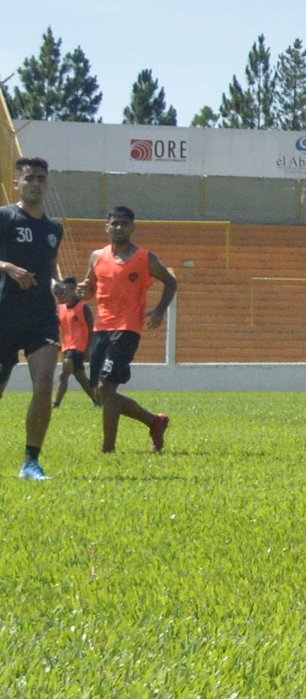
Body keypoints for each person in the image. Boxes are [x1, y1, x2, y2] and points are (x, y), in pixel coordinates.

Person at [81, 207, 176, 453]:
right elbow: (89, 287)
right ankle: (154, 421)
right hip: (101, 328)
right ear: (107, 226)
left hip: (127, 328)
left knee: (106, 388)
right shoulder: (97, 257)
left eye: (124, 223)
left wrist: (159, 310)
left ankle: (108, 448)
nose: (119, 228)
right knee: (101, 393)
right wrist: (83, 290)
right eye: (115, 223)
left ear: (133, 227)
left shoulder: (144, 258)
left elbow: (170, 281)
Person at [0, 157, 65, 480]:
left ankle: (31, 461)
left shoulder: (54, 228)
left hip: (41, 317)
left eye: (41, 178)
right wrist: (7, 267)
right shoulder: (5, 217)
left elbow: (51, 267)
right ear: (17, 183)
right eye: (29, 178)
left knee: (43, 386)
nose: (35, 184)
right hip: (4, 315)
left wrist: (58, 286)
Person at [52, 277, 93, 408]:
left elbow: (91, 329)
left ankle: (56, 403)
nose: (66, 292)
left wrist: (89, 348)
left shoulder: (83, 307)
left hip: (78, 347)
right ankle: (98, 400)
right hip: (66, 346)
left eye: (70, 289)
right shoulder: (60, 308)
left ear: (74, 290)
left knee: (64, 373)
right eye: (65, 290)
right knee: (80, 376)